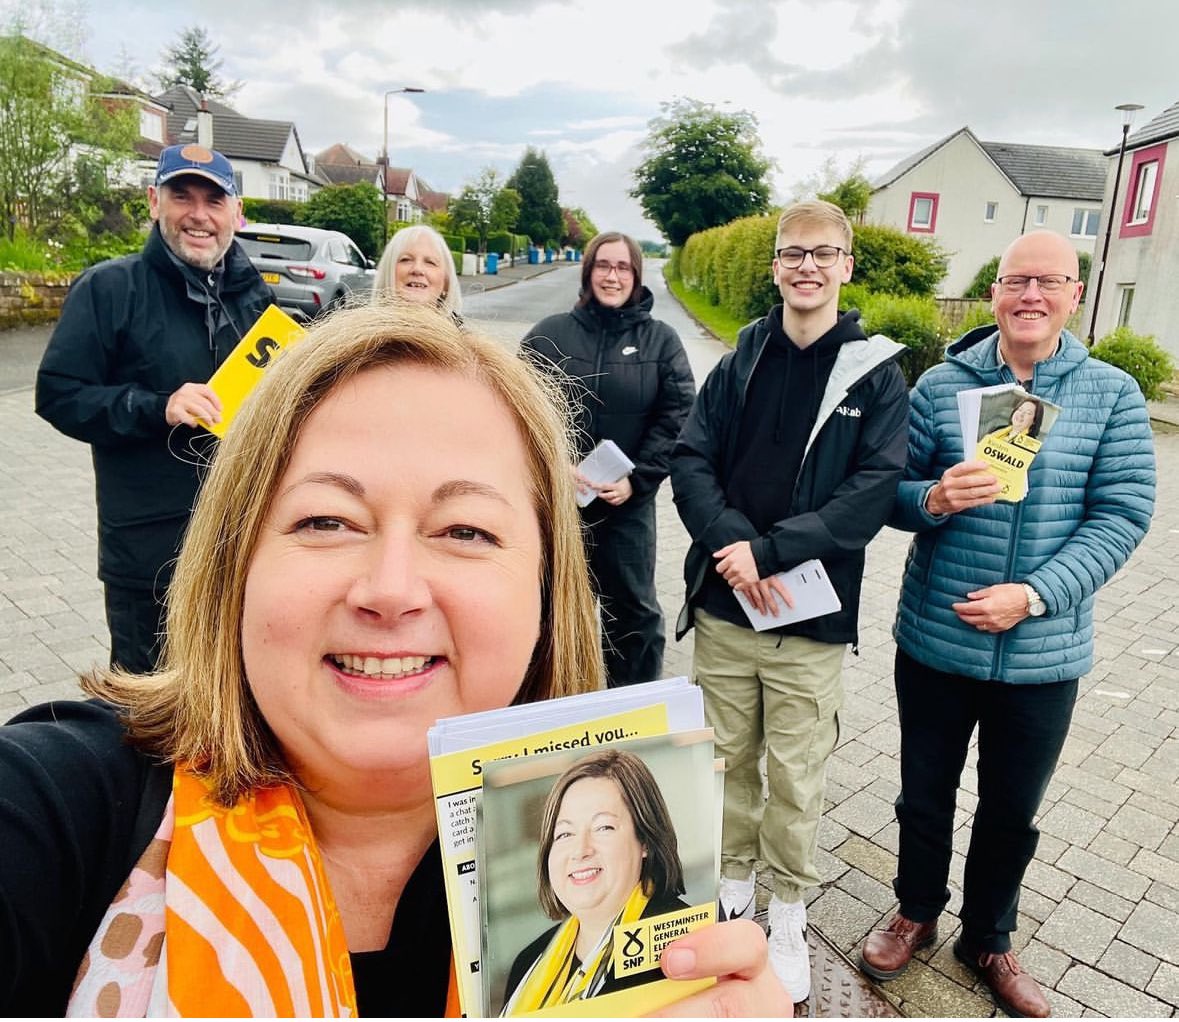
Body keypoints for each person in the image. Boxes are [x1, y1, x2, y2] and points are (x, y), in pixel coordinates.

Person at [2, 305, 790, 1018]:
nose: (390, 590)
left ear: (546, 589)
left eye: (464, 531)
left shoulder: (651, 932)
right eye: (327, 519)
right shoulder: (60, 811)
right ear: (234, 559)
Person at [858, 230, 1156, 1018]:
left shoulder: (1111, 394)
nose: (1030, 296)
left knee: (1009, 808)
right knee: (922, 795)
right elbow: (885, 492)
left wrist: (1034, 595)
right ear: (992, 292)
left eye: (1048, 282)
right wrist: (931, 499)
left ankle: (988, 936)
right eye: (1015, 280)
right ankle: (915, 912)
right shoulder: (936, 387)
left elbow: (1121, 516)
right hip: (936, 636)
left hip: (1041, 653)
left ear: (1073, 295)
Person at [670, 199, 909, 1003]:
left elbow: (871, 491)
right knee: (726, 761)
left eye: (822, 253)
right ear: (775, 266)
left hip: (810, 617)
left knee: (796, 774)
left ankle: (787, 909)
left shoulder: (874, 371)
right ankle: (732, 884)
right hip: (726, 609)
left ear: (846, 266)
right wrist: (731, 547)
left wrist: (769, 551)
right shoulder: (740, 360)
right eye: (791, 253)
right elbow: (690, 458)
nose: (805, 266)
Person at [34, 143, 273, 675]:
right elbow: (58, 393)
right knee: (149, 713)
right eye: (181, 196)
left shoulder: (257, 302)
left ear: (237, 212)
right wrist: (156, 407)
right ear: (153, 202)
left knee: (233, 704)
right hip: (149, 556)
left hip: (239, 552)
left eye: (214, 200)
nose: (198, 214)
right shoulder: (110, 289)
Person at [522, 231, 695, 686]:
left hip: (626, 510)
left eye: (622, 267)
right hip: (560, 507)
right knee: (550, 611)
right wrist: (552, 466)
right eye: (603, 265)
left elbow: (678, 415)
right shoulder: (549, 334)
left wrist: (638, 479)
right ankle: (548, 713)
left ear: (636, 276)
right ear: (588, 271)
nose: (612, 276)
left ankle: (631, 720)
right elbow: (517, 408)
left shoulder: (661, 341)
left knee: (633, 618)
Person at [502, 749, 689, 1013]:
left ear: (645, 839)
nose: (581, 850)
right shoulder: (528, 961)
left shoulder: (682, 941)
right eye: (565, 833)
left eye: (604, 828)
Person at [371, 224, 463, 322]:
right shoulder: (362, 335)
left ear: (446, 283)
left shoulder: (462, 337)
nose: (417, 269)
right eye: (406, 260)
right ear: (387, 272)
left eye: (430, 262)